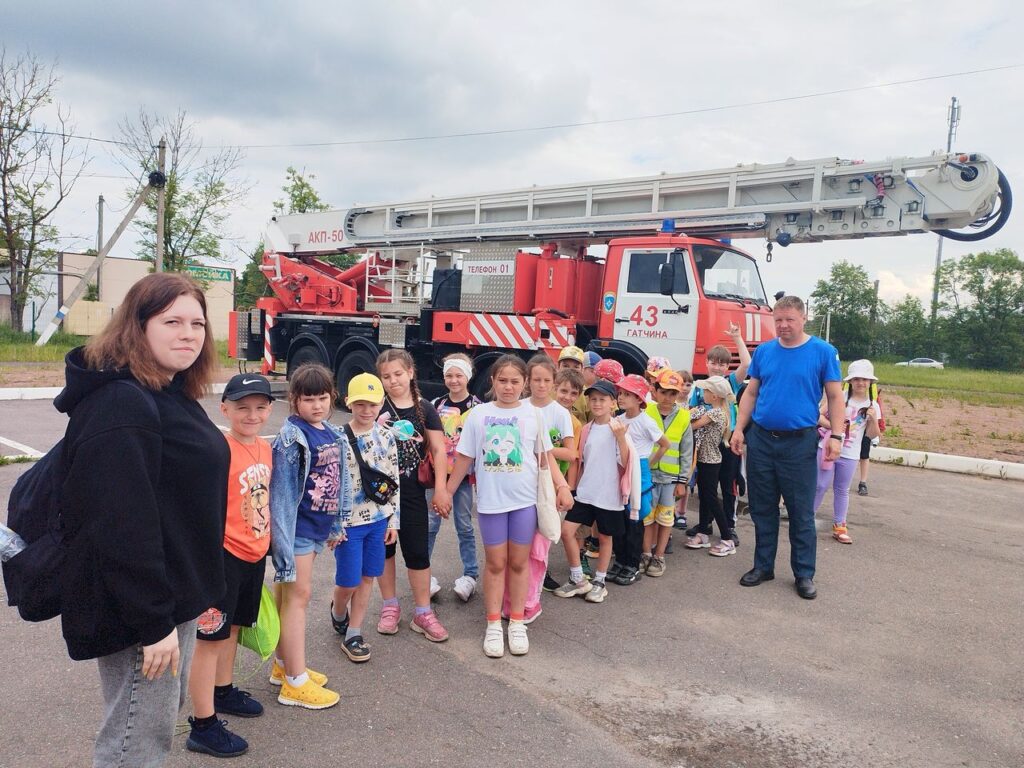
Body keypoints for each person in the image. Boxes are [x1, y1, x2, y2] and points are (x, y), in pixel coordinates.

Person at [54, 273, 229, 767]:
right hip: (142, 610)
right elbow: (120, 525)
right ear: (138, 326)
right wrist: (153, 624)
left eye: (197, 322)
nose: (189, 333)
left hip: (173, 598)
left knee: (151, 725)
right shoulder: (122, 402)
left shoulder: (169, 390)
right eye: (172, 320)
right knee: (134, 743)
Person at [446, 355, 573, 657]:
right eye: (502, 380)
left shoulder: (533, 416)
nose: (508, 386)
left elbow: (544, 457)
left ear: (524, 384)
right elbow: (465, 458)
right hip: (491, 504)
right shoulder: (478, 415)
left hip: (524, 504)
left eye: (515, 381)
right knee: (495, 564)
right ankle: (492, 624)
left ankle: (516, 622)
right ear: (492, 382)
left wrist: (563, 486)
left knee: (519, 564)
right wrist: (446, 492)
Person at [729, 296, 844, 600]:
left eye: (789, 319)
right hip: (762, 440)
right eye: (778, 320)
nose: (782, 325)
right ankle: (763, 566)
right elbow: (751, 393)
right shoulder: (765, 352)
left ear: (804, 318)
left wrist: (836, 435)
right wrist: (739, 429)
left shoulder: (823, 352)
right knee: (762, 509)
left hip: (800, 443)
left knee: (800, 513)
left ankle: (804, 574)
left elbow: (834, 397)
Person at [187, 374, 274, 758]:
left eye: (259, 407)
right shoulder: (218, 449)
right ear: (225, 409)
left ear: (270, 410)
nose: (251, 415)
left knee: (235, 628)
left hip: (253, 554)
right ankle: (202, 725)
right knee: (209, 640)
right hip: (221, 557)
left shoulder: (266, 449)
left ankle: (222, 691)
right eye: (242, 407)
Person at [269, 363, 349, 709]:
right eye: (308, 399)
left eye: (323, 398)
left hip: (317, 528)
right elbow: (282, 497)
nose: (317, 405)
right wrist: (283, 545)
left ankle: (284, 665)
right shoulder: (292, 439)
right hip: (297, 531)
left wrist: (335, 526)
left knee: (289, 598)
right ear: (294, 400)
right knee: (298, 597)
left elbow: (337, 482)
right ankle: (295, 682)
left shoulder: (331, 432)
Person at [376, 349, 452, 641]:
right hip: (380, 496)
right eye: (386, 376)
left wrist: (442, 488)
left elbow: (438, 449)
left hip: (413, 493)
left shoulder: (425, 408)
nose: (393, 381)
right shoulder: (376, 406)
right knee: (385, 551)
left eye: (398, 374)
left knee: (418, 552)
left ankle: (423, 612)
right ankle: (390, 605)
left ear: (410, 372)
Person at [330, 373, 400, 664]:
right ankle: (338, 610)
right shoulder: (337, 438)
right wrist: (333, 526)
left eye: (372, 404)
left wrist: (393, 521)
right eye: (360, 404)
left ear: (381, 403)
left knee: (369, 576)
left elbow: (393, 478)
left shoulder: (386, 436)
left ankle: (354, 633)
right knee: (348, 581)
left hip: (378, 520)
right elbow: (329, 483)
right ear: (348, 403)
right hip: (348, 524)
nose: (366, 410)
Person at [554, 379, 632, 604]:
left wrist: (620, 439)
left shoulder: (618, 428)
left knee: (605, 538)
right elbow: (581, 461)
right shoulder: (586, 428)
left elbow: (626, 463)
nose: (597, 403)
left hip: (608, 495)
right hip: (586, 491)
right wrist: (571, 487)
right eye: (593, 399)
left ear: (612, 403)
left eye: (602, 399)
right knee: (567, 532)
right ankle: (578, 578)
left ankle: (599, 582)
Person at [514, 354, 576, 615]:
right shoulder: (518, 406)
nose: (541, 385)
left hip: (549, 486)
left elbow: (571, 453)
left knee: (540, 547)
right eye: (536, 380)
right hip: (520, 485)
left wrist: (541, 451)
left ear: (553, 382)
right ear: (528, 381)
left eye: (546, 380)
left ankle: (532, 598)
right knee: (518, 547)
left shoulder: (560, 413)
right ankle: (515, 594)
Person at [689, 322, 750, 545]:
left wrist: (737, 338)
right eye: (713, 362)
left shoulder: (729, 384)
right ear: (706, 363)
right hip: (706, 443)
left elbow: (746, 363)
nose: (717, 367)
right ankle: (704, 524)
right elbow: (691, 413)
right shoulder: (699, 387)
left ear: (727, 367)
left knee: (728, 484)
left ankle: (730, 526)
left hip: (728, 441)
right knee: (706, 486)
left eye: (722, 364)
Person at [427, 353, 481, 601]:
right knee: (429, 525)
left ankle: (470, 574)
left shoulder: (478, 408)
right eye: (449, 375)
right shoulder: (435, 404)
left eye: (459, 375)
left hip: (462, 479)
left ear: (468, 376)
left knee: (465, 526)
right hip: (435, 477)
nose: (454, 380)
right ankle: (424, 573)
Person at [813, 360, 881, 544]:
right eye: (857, 379)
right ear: (850, 381)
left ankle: (840, 525)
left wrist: (873, 420)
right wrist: (834, 427)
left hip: (851, 453)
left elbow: (872, 435)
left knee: (842, 489)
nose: (861, 383)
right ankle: (806, 520)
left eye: (865, 379)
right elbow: (817, 415)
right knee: (820, 485)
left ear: (871, 382)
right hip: (828, 447)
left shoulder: (872, 406)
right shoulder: (839, 397)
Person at [611, 374, 668, 583]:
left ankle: (633, 564)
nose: (621, 398)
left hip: (639, 470)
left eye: (627, 394)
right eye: (620, 394)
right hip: (620, 469)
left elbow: (665, 443)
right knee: (620, 517)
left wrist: (648, 464)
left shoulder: (645, 421)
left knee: (635, 517)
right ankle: (620, 560)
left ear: (639, 399)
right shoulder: (618, 419)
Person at [644, 369, 693, 576]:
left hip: (671, 479)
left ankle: (659, 556)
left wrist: (682, 481)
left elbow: (686, 451)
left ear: (679, 394)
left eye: (673, 393)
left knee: (665, 519)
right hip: (648, 476)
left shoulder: (683, 417)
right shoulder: (646, 412)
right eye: (663, 392)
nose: (668, 397)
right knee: (647, 518)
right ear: (654, 391)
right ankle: (645, 553)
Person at [685, 376, 736, 557]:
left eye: (706, 391)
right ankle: (703, 533)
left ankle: (727, 538)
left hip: (710, 461)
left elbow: (692, 426)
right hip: (705, 459)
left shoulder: (715, 413)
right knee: (705, 498)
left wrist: (689, 413)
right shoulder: (717, 410)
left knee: (711, 498)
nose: (703, 393)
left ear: (714, 395)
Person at [857, 386, 885, 496]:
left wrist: (873, 420)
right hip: (848, 430)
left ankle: (863, 482)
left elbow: (875, 428)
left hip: (865, 428)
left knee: (864, 454)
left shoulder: (873, 404)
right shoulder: (845, 397)